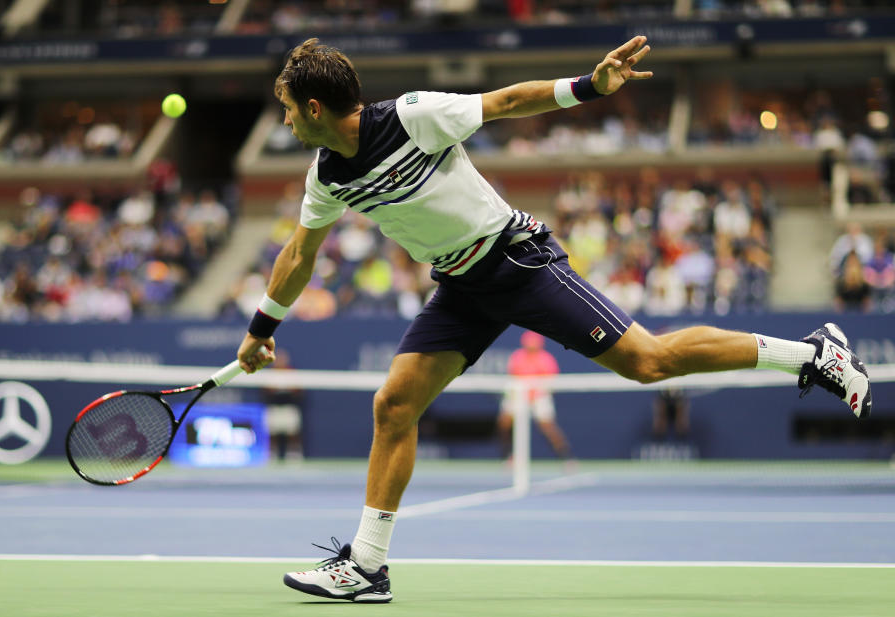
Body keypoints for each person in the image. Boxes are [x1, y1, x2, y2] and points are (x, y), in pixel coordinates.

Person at [236, 36, 872, 603]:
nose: (286, 119)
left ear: (315, 108)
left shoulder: (411, 117)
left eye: (288, 107)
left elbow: (507, 101)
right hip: (461, 286)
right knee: (393, 405)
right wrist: (261, 332)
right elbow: (299, 255)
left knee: (649, 363)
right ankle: (367, 565)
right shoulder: (327, 177)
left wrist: (589, 87)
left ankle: (813, 354)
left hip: (517, 261)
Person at [498, 330, 573, 462]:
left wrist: (534, 395)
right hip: (519, 395)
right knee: (504, 423)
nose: (530, 347)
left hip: (539, 396)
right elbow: (513, 378)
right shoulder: (517, 357)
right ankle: (508, 456)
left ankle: (566, 458)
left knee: (548, 427)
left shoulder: (546, 359)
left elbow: (550, 384)